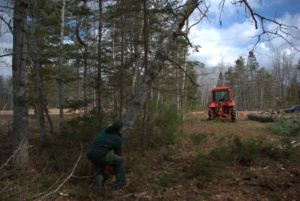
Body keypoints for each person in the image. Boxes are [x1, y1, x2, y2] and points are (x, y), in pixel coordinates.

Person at [87, 120, 129, 190]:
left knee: (100, 164)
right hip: (100, 154)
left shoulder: (104, 131)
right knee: (120, 161)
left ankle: (97, 185)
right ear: (120, 129)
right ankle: (121, 184)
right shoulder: (118, 139)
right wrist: (112, 166)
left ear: (112, 126)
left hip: (89, 153)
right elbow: (118, 154)